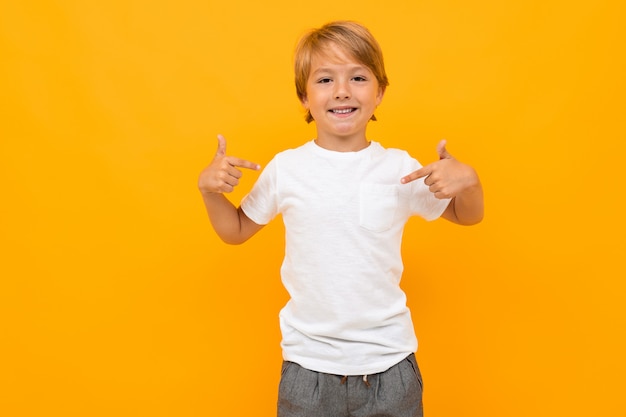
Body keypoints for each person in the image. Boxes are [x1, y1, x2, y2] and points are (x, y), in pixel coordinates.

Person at [198, 20, 483, 417]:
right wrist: (210, 191)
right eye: (325, 79)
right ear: (304, 96)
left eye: (358, 77)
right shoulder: (287, 168)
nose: (342, 91)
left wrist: (469, 182)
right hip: (308, 370)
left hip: (390, 367)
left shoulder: (398, 166)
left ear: (380, 91)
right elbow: (236, 230)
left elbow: (466, 215)